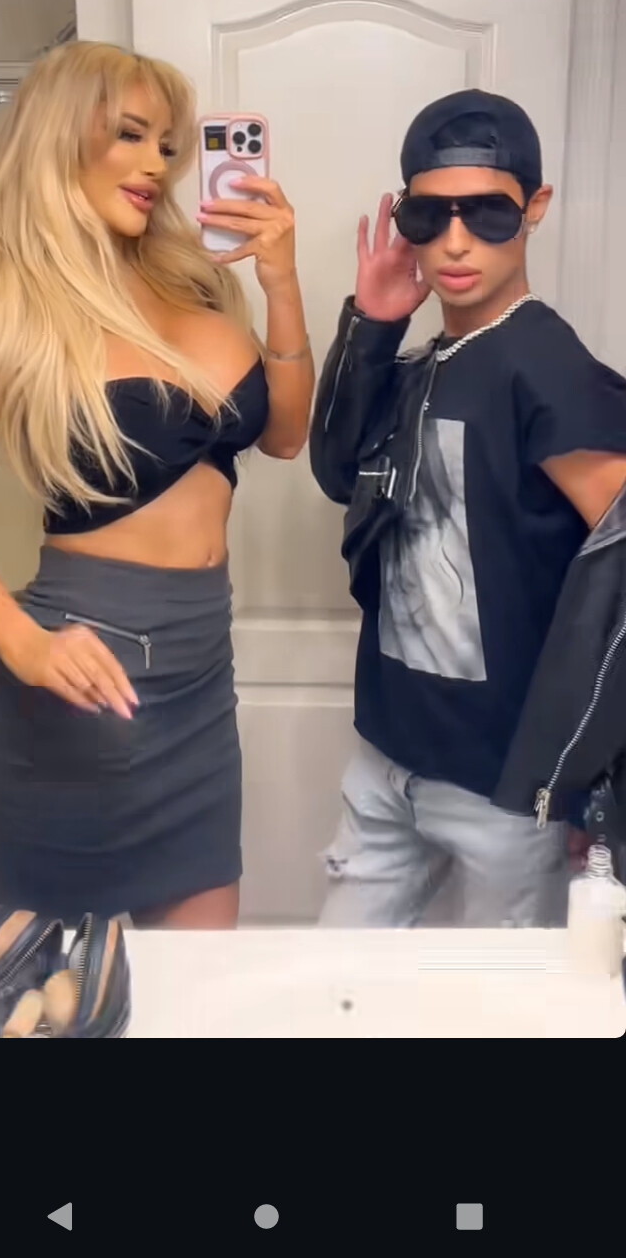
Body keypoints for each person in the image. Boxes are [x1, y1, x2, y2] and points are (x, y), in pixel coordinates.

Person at [0, 40, 313, 929]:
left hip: (200, 684)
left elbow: (285, 435)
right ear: (58, 138)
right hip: (68, 685)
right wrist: (26, 647)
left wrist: (280, 282)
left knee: (199, 992)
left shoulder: (194, 286)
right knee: (46, 991)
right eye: (130, 135)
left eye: (166, 145)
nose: (155, 165)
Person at [310, 88, 626, 927]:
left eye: (486, 213)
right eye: (429, 214)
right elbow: (339, 472)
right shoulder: (429, 360)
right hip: (388, 756)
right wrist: (373, 325)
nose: (455, 242)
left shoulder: (548, 370)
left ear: (535, 207)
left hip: (503, 786)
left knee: (500, 998)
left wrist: (588, 777)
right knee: (336, 980)